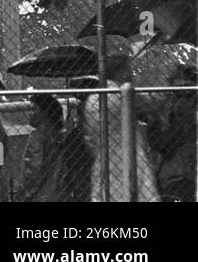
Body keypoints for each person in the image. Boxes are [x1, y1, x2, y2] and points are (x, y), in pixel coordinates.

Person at [82, 55, 160, 202]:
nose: (131, 74)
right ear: (121, 72)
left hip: (103, 158)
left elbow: (89, 139)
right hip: (132, 155)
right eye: (128, 70)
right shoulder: (123, 95)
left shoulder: (93, 98)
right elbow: (152, 105)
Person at [153, 63, 197, 202]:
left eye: (187, 89)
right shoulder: (168, 105)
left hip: (184, 169)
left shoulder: (188, 108)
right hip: (172, 171)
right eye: (178, 90)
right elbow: (160, 142)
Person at [18, 96, 69, 202]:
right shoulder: (60, 133)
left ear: (45, 112)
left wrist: (28, 194)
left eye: (33, 109)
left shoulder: (37, 135)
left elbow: (34, 167)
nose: (29, 113)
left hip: (40, 195)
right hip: (60, 191)